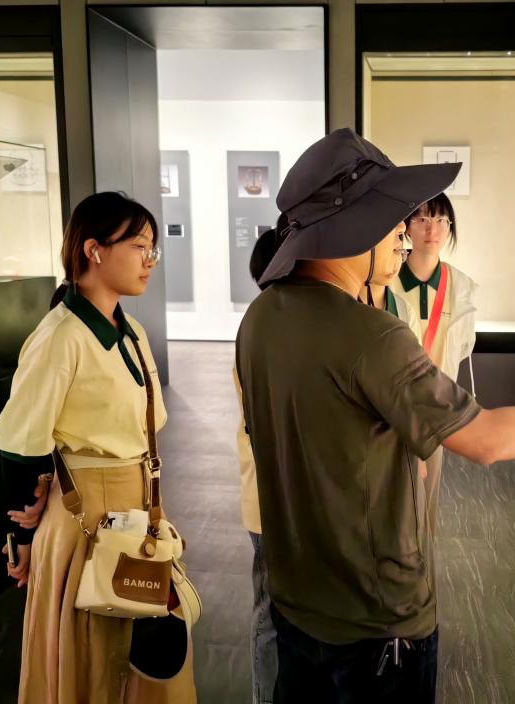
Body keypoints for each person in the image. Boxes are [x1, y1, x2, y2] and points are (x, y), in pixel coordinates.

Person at [236, 129, 515, 703]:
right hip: (375, 623)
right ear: (352, 228)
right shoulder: (372, 336)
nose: (402, 236)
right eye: (392, 222)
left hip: (297, 604)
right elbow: (485, 440)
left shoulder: (260, 318)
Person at [0, 191, 197, 703]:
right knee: (94, 663)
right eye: (139, 246)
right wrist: (21, 539)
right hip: (85, 520)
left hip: (139, 509)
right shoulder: (60, 336)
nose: (150, 260)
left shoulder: (132, 332)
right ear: (94, 250)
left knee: (146, 658)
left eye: (153, 248)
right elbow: (20, 443)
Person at [390, 191, 477, 524]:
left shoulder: (461, 286)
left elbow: (464, 345)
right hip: (393, 405)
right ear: (407, 227)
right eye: (423, 219)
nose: (432, 229)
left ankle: (423, 555)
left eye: (441, 220)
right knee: (394, 495)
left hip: (436, 407)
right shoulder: (389, 282)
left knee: (428, 502)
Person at [234, 219, 286, 704]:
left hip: (276, 496)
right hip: (271, 498)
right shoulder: (265, 325)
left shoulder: (267, 320)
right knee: (269, 611)